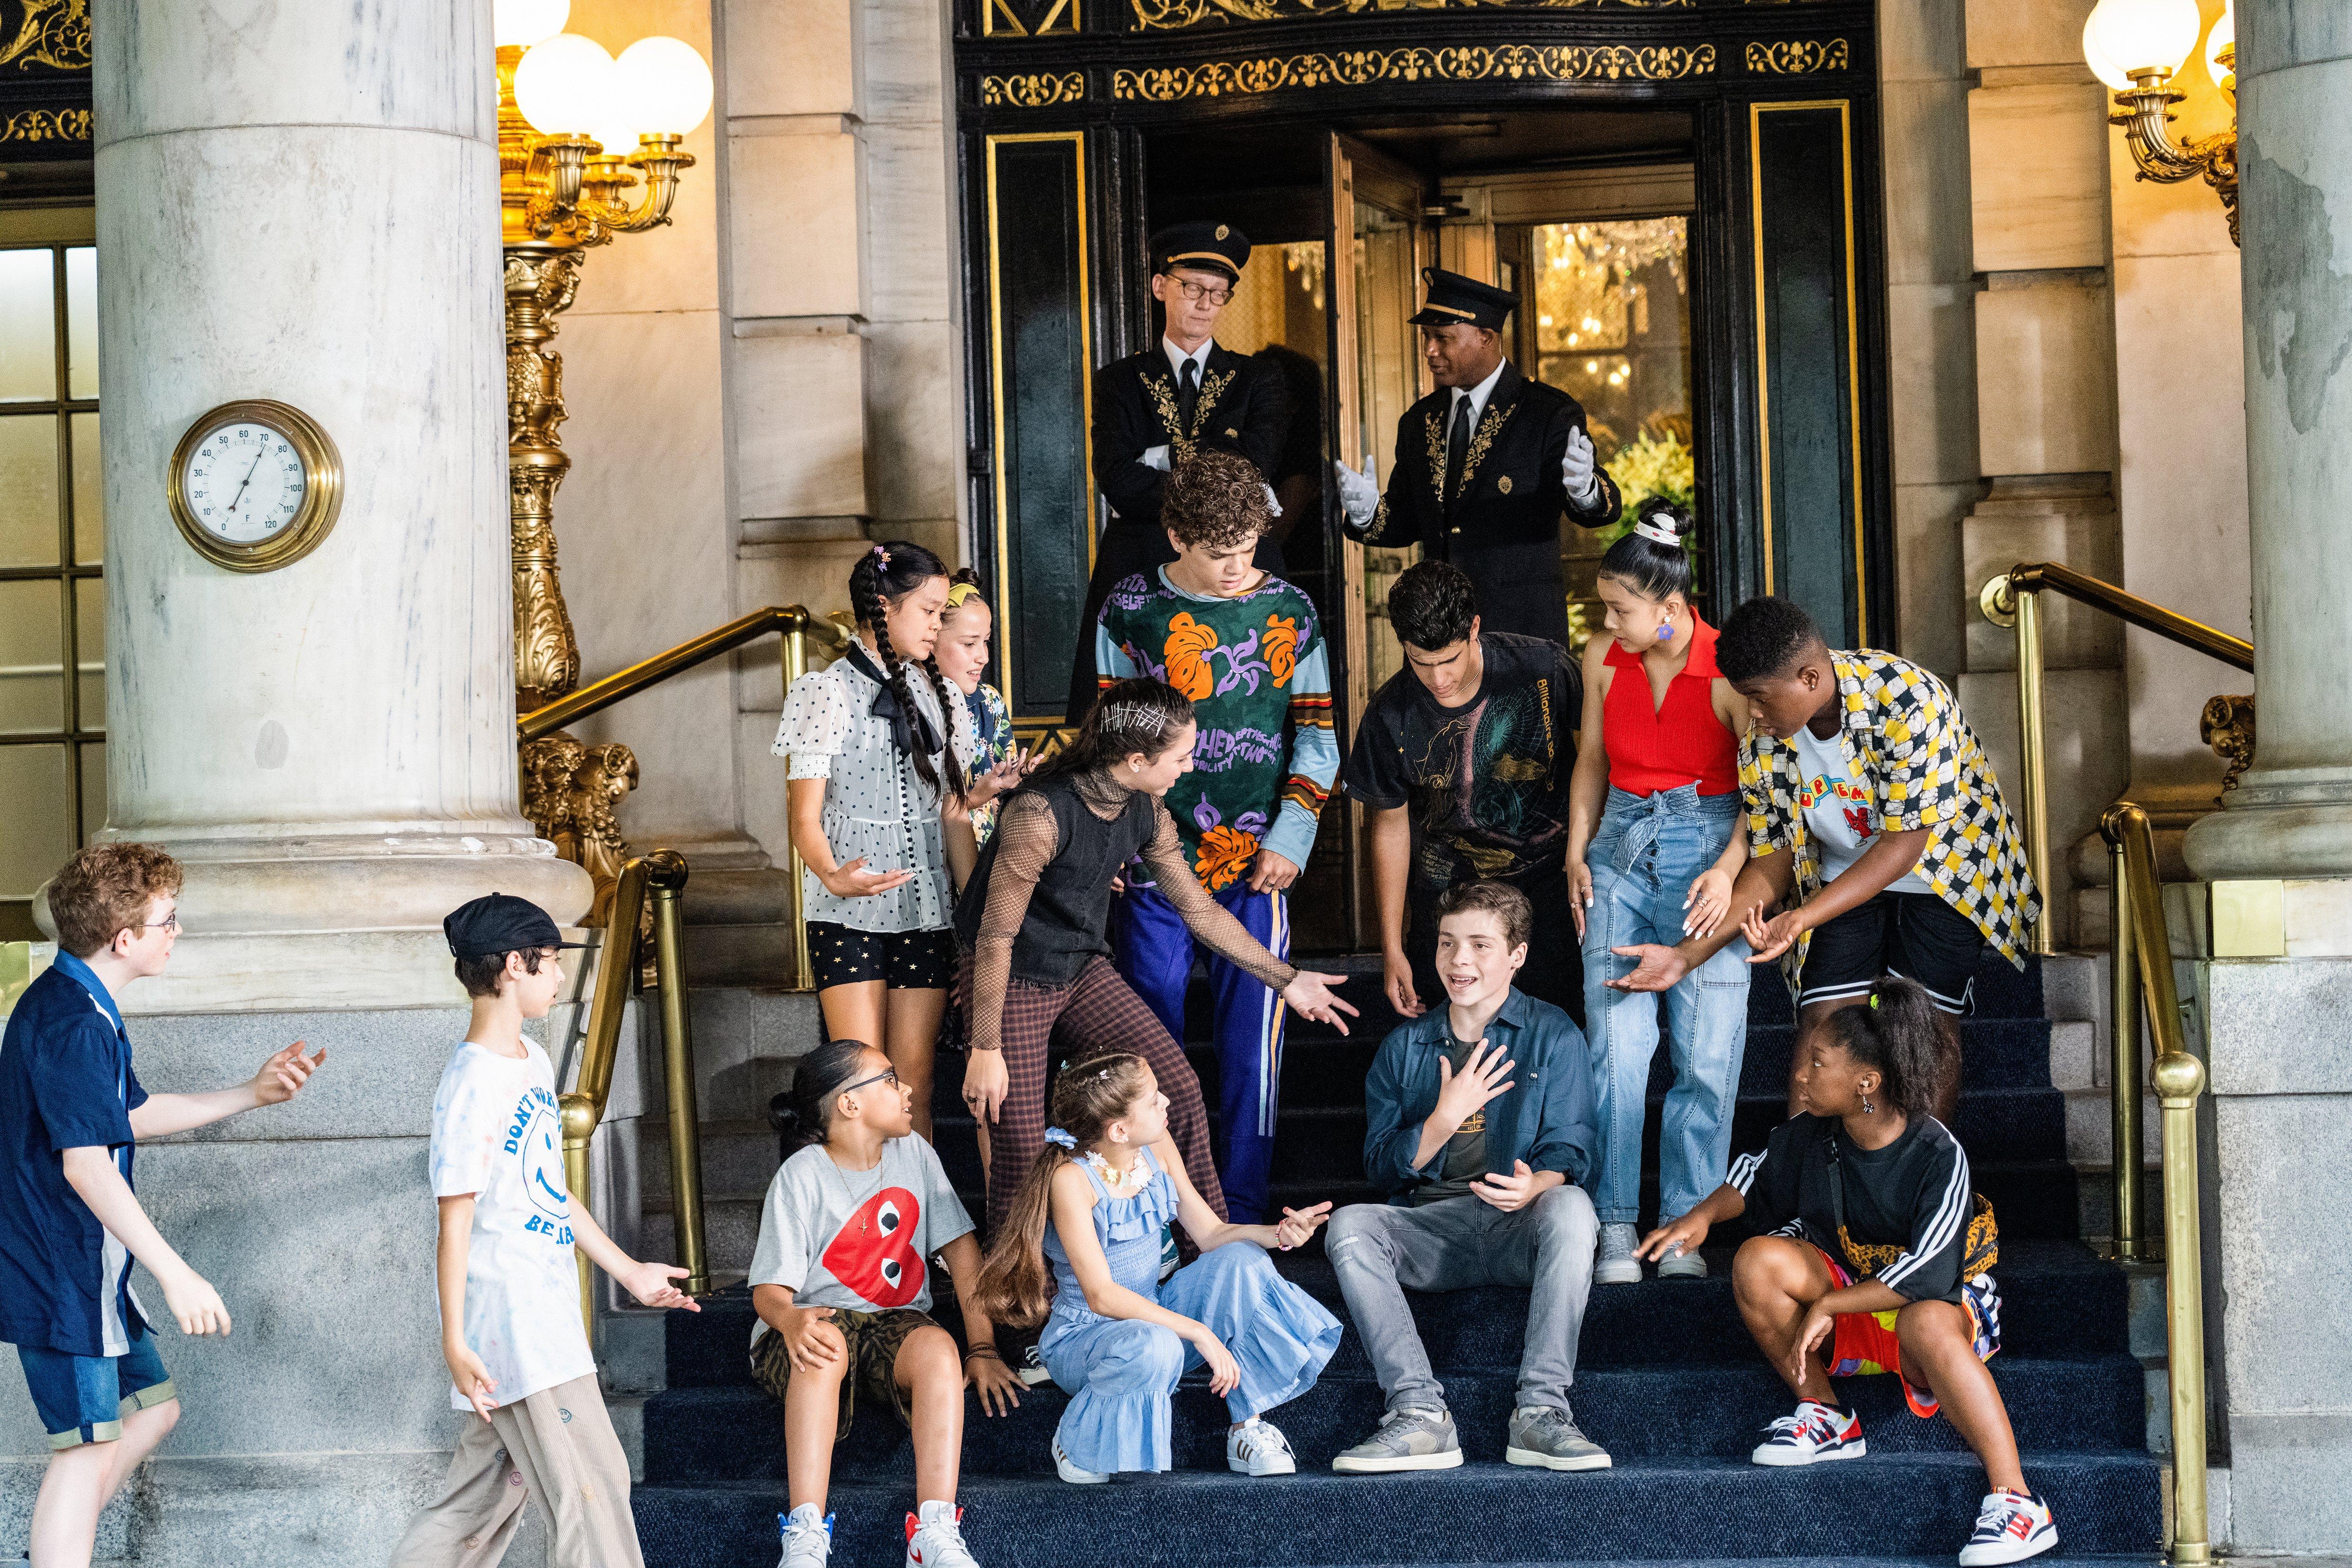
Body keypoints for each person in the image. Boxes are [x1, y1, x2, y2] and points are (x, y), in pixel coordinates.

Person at [1636, 978, 2050, 1567]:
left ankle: (2018, 1501)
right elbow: (1755, 1176)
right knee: (1758, 1260)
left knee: (1927, 1325)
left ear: (1867, 1084)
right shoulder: (1814, 1135)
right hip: (1858, 1293)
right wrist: (1700, 1218)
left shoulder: (1938, 1154)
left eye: (1817, 1062)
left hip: (1932, 1314)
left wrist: (1829, 1306)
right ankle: (1828, 1416)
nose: (1800, 1074)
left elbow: (1930, 1274)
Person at [0, 844, 324, 1568]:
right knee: (84, 1452)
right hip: (63, 1272)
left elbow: (129, 1116)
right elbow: (86, 1165)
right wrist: (176, 1274)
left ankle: (63, 1544)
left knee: (154, 1411)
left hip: (84, 1269)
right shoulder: (73, 1021)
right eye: (168, 921)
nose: (176, 933)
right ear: (126, 940)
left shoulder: (82, 1003)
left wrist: (251, 1091)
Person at [1604, 596, 2040, 1127]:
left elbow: (1904, 846)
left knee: (1921, 1030)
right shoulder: (1765, 743)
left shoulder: (1908, 699)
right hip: (1839, 876)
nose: (1754, 714)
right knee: (1822, 1027)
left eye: (1760, 699)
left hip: (1945, 876)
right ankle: (1804, 1198)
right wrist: (1683, 957)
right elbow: (1771, 864)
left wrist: (1803, 917)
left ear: (1809, 678)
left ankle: (1922, 1187)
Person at [954, 678, 1357, 1236]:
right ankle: (1021, 1315)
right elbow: (995, 937)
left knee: (1180, 1090)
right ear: (1137, 759)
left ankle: (1210, 1253)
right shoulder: (1040, 814)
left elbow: (1202, 911)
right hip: (1012, 975)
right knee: (1022, 1149)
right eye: (1182, 757)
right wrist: (985, 1047)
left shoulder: (1145, 806)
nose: (1190, 768)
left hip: (1082, 967)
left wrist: (1286, 980)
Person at [392, 893, 702, 1568]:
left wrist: (628, 1271)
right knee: (594, 1492)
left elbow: (549, 1189)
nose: (560, 978)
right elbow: (455, 1221)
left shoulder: (530, 1061)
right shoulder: (472, 1083)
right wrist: (455, 1340)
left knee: (474, 1508)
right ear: (512, 966)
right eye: (551, 963)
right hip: (518, 1325)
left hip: (538, 1313)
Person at [1096, 448, 1339, 1223]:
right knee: (1149, 1050)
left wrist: (1292, 838)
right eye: (1221, 554)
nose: (1240, 569)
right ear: (1176, 535)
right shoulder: (1130, 610)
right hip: (1155, 869)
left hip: (1258, 868)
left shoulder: (1292, 613)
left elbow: (1320, 737)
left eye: (1249, 551)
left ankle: (1241, 1219)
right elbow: (1108, 741)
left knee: (1250, 1060)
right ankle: (1159, 1219)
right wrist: (1109, 838)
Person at [1324, 881, 1608, 1476]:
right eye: (1448, 944)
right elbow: (1379, 1167)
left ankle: (1541, 1413)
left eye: (1481, 946)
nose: (1459, 961)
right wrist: (1441, 1121)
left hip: (1516, 1228)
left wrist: (1539, 1184)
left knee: (1573, 1206)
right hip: (1432, 1227)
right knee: (1351, 1226)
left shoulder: (1553, 1034)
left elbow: (1575, 1144)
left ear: (1517, 956)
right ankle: (1419, 1414)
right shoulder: (1406, 1047)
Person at [970, 1053, 1340, 1483]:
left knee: (1243, 1261)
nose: (1166, 1101)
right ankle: (1076, 1438)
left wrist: (1279, 1234)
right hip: (1086, 1338)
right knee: (1155, 1344)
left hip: (1155, 1312)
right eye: (1152, 1100)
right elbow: (1101, 1296)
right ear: (1119, 1130)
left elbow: (1212, 1235)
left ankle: (1247, 1426)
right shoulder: (1072, 1181)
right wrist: (1198, 1331)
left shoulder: (1156, 1150)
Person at [1564, 498, 1752, 1285]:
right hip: (1618, 850)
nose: (1605, 619)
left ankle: (1682, 1226)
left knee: (1706, 1055)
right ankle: (1614, 1225)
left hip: (1705, 853)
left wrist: (1730, 870)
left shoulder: (1727, 671)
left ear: (1669, 608)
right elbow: (1592, 763)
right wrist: (1577, 854)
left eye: (1620, 607)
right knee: (1616, 1049)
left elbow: (1763, 794)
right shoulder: (1603, 657)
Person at [755, 1040, 1021, 1568]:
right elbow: (769, 1291)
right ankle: (806, 1532)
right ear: (849, 1104)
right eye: (890, 1080)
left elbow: (963, 1254)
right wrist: (790, 1321)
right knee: (825, 1343)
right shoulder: (801, 1174)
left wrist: (984, 1347)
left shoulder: (916, 1154)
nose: (910, 1090)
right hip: (815, 1319)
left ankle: (933, 1529)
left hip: (894, 1323)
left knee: (939, 1350)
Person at [775, 541, 1004, 1142]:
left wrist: (973, 915)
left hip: (924, 911)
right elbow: (804, 817)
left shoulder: (945, 695)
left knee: (914, 1090)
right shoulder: (824, 692)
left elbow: (953, 817)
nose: (937, 625)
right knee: (860, 1090)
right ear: (884, 607)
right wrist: (832, 874)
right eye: (928, 611)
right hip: (848, 910)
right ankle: (869, 1234)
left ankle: (917, 1232)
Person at [1340, 560, 1584, 1022]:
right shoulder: (1390, 712)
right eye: (1421, 663)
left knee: (1558, 1031)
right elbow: (1390, 829)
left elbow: (1598, 764)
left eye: (1449, 660)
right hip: (1448, 897)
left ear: (1474, 628)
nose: (1438, 680)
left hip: (1549, 887)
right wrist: (1391, 949)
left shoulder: (1544, 668)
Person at [1332, 266, 1622, 648]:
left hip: (1520, 633)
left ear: (1487, 337)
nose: (1430, 350)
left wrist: (1586, 489)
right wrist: (1367, 512)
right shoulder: (1419, 421)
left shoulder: (1545, 413)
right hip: (1440, 638)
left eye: (1444, 338)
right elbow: (1405, 521)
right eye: (1426, 337)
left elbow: (1601, 508)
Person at [1070, 220, 1288, 724]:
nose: (1205, 304)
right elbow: (1119, 481)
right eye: (1193, 288)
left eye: (1219, 293)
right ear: (1161, 286)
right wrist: (1215, 461)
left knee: (1241, 714)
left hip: (1237, 567)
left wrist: (1163, 456)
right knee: (1129, 720)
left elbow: (1254, 470)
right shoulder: (1120, 381)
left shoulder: (1257, 380)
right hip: (1143, 559)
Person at [934, 569, 1029, 853]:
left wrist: (1018, 777)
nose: (984, 657)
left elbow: (1004, 777)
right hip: (934, 854)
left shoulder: (990, 701)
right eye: (969, 644)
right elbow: (924, 809)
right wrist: (977, 797)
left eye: (985, 642)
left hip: (989, 849)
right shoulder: (916, 707)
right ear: (932, 640)